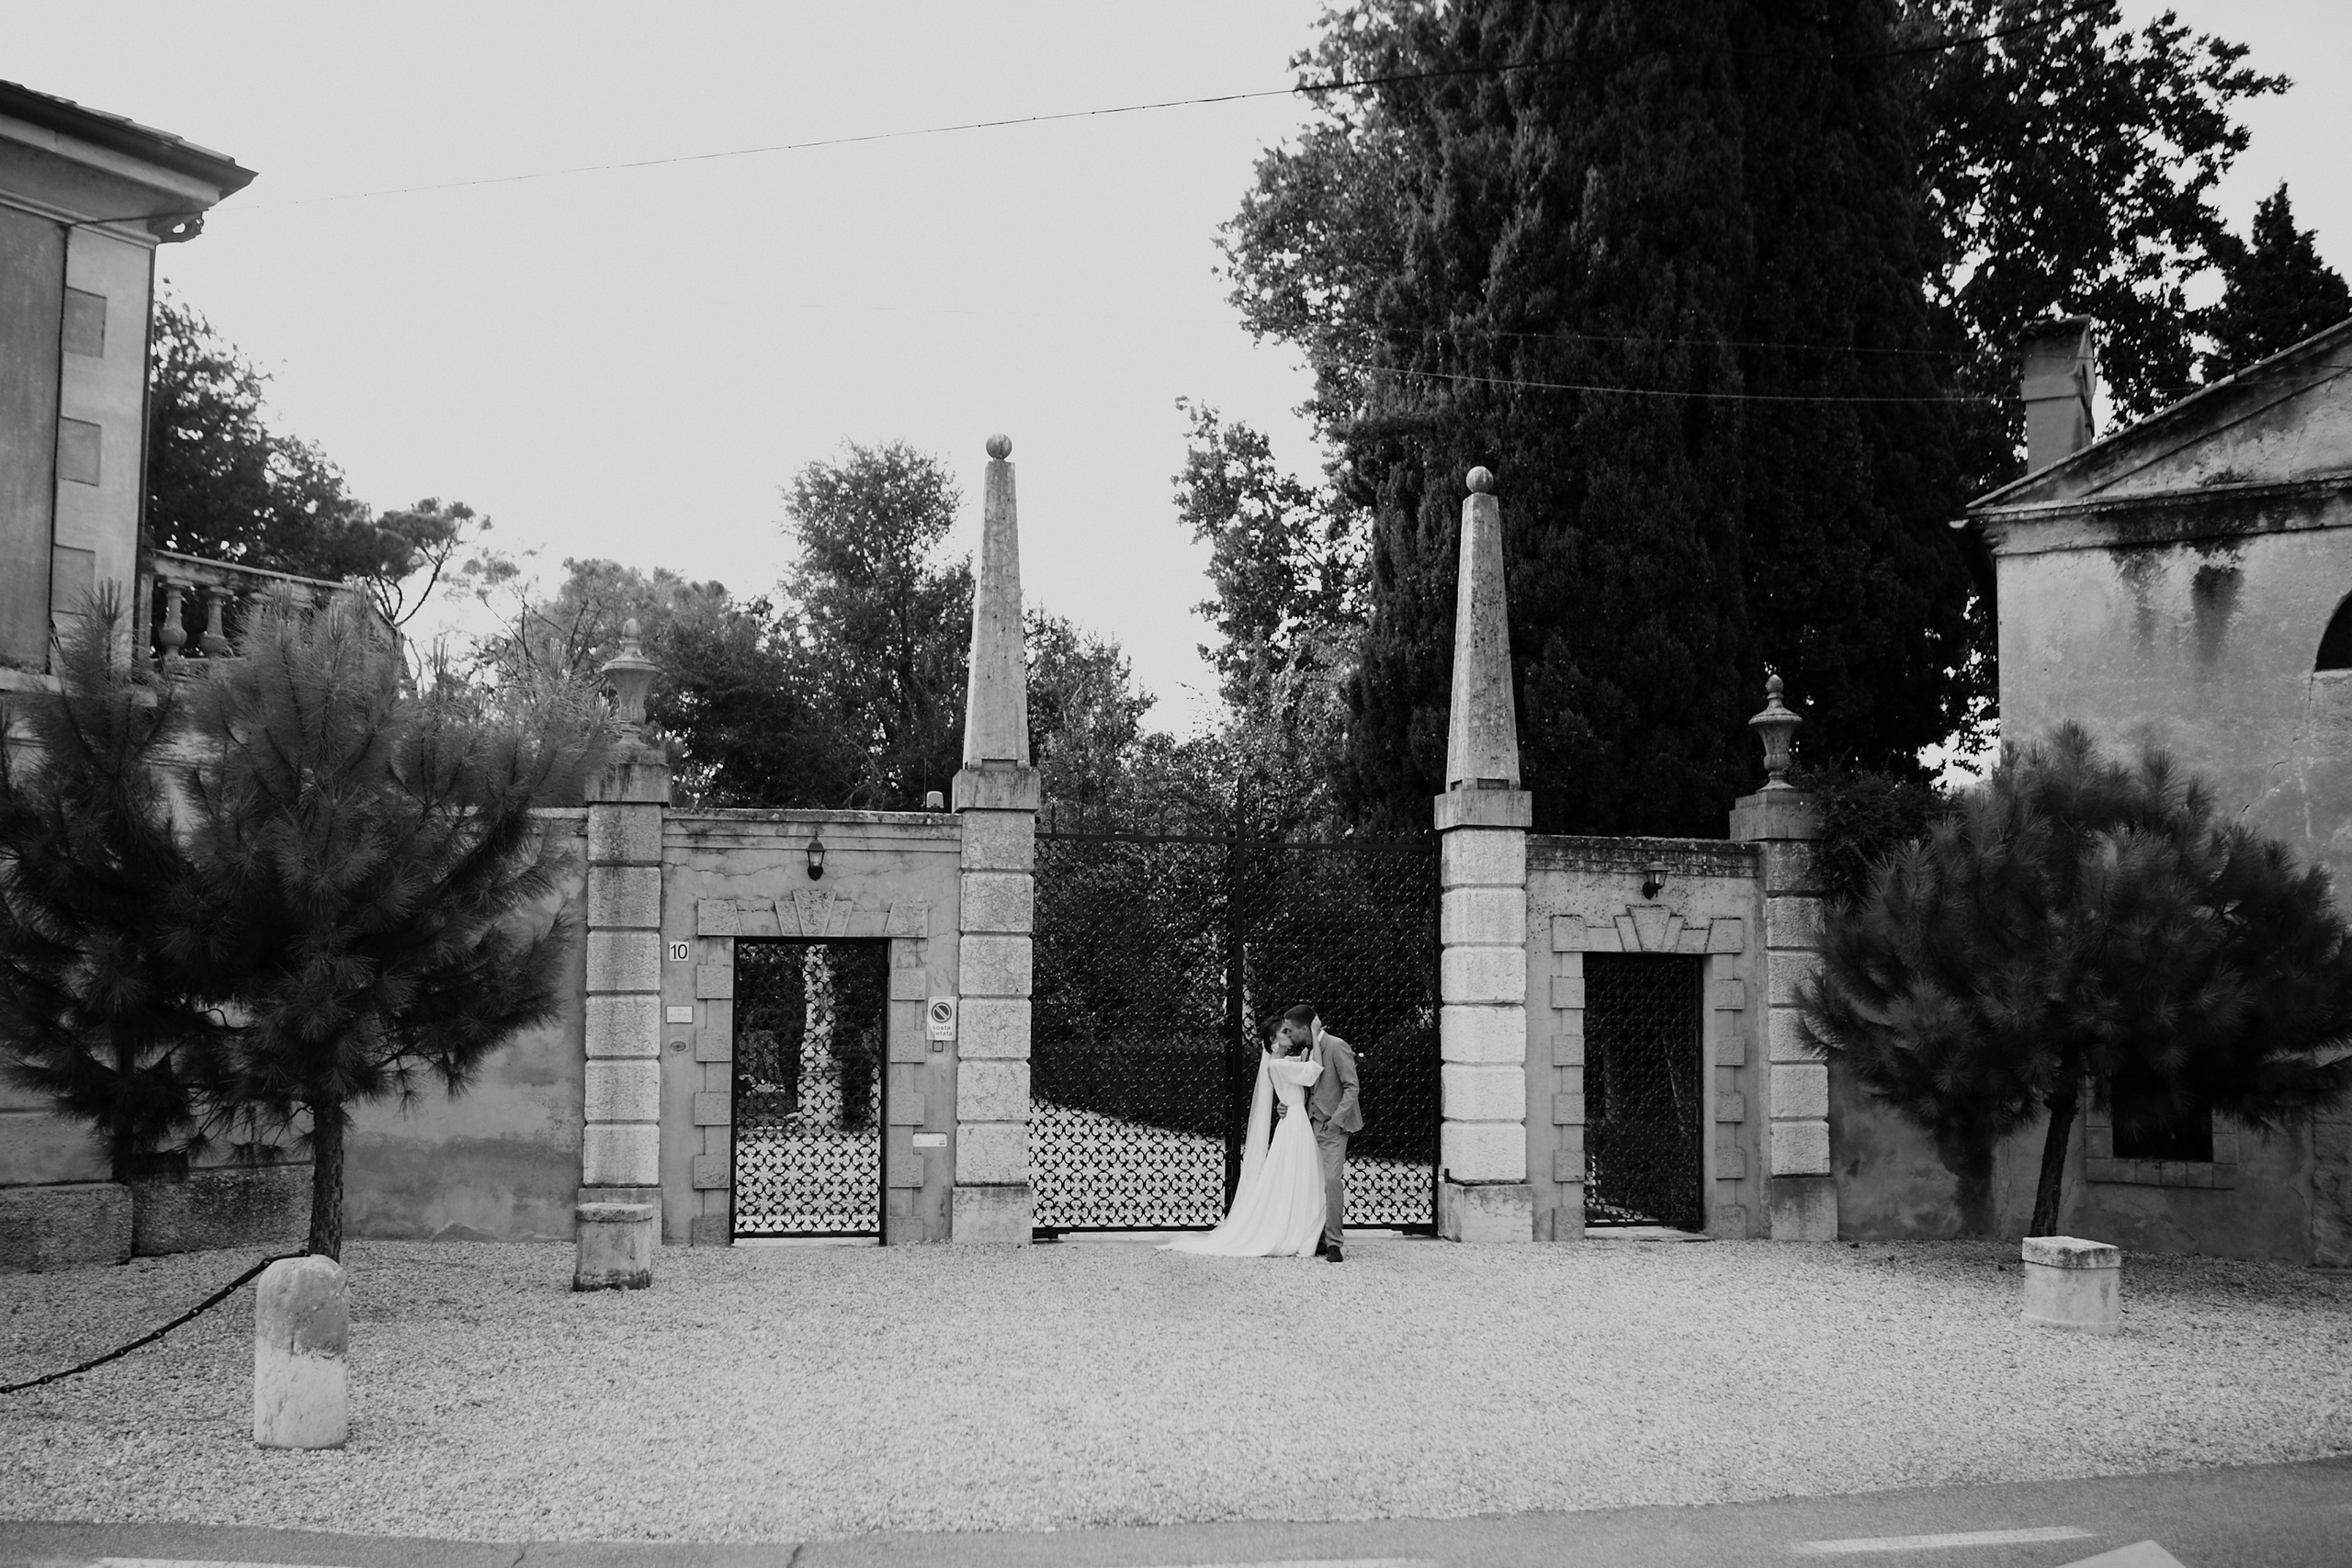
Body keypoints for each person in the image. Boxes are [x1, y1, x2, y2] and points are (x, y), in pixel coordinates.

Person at [1159, 1012, 1327, 1258]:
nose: (1289, 1035)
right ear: (1273, 1041)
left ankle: (1301, 1226)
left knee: (1300, 1175)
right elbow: (1313, 1072)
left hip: (1294, 1120)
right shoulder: (1277, 1064)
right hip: (1294, 1125)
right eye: (1284, 1032)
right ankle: (1295, 1230)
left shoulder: (1285, 1062)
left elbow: (1303, 1064)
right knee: (1298, 1174)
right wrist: (1313, 1032)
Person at [1287, 1003, 1361, 1263]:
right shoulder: (1308, 1051)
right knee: (1311, 1182)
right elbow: (1307, 1088)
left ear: (1304, 1028)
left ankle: (1334, 1243)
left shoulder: (1337, 1046)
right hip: (1310, 1124)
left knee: (1331, 1181)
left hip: (1333, 1127)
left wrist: (1337, 1121)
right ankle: (1315, 1237)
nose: (1289, 1035)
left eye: (1291, 1030)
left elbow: (1352, 1087)